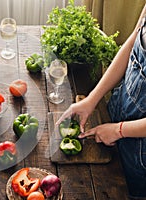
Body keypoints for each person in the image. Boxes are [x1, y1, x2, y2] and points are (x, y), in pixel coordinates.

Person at [57, 4, 146, 199]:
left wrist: (118, 130)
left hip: (140, 148)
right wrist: (92, 99)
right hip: (118, 106)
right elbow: (131, 44)